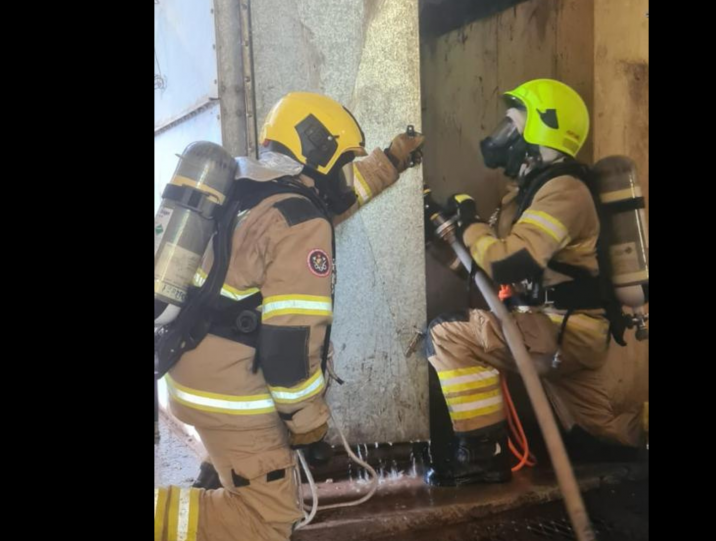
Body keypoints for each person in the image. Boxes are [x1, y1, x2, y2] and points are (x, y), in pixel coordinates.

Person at [154, 91, 424, 540]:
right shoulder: (300, 222)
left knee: (250, 474)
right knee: (267, 519)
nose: (342, 175)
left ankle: (220, 475)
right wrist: (309, 425)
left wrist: (391, 160)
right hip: (232, 396)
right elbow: (288, 349)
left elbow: (337, 195)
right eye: (340, 161)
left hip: (191, 371)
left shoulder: (246, 186)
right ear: (317, 153)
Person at [424, 78, 642, 487]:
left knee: (447, 334)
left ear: (542, 129)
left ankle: (482, 455)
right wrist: (438, 229)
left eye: (511, 125)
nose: (501, 136)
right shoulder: (531, 192)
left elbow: (507, 263)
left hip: (559, 331)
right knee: (602, 440)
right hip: (566, 329)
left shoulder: (564, 191)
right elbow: (485, 268)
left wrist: (469, 223)